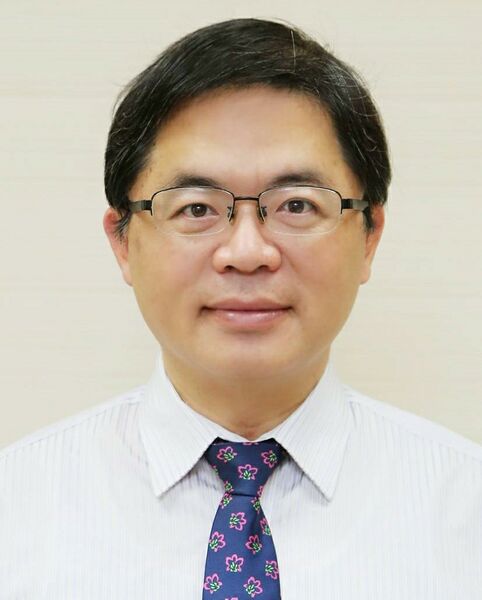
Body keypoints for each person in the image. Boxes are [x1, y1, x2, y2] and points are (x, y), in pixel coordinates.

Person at [1, 17, 480, 599]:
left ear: (369, 236)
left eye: (297, 205)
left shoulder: (465, 511)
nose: (247, 253)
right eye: (196, 208)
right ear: (123, 242)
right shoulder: (17, 508)